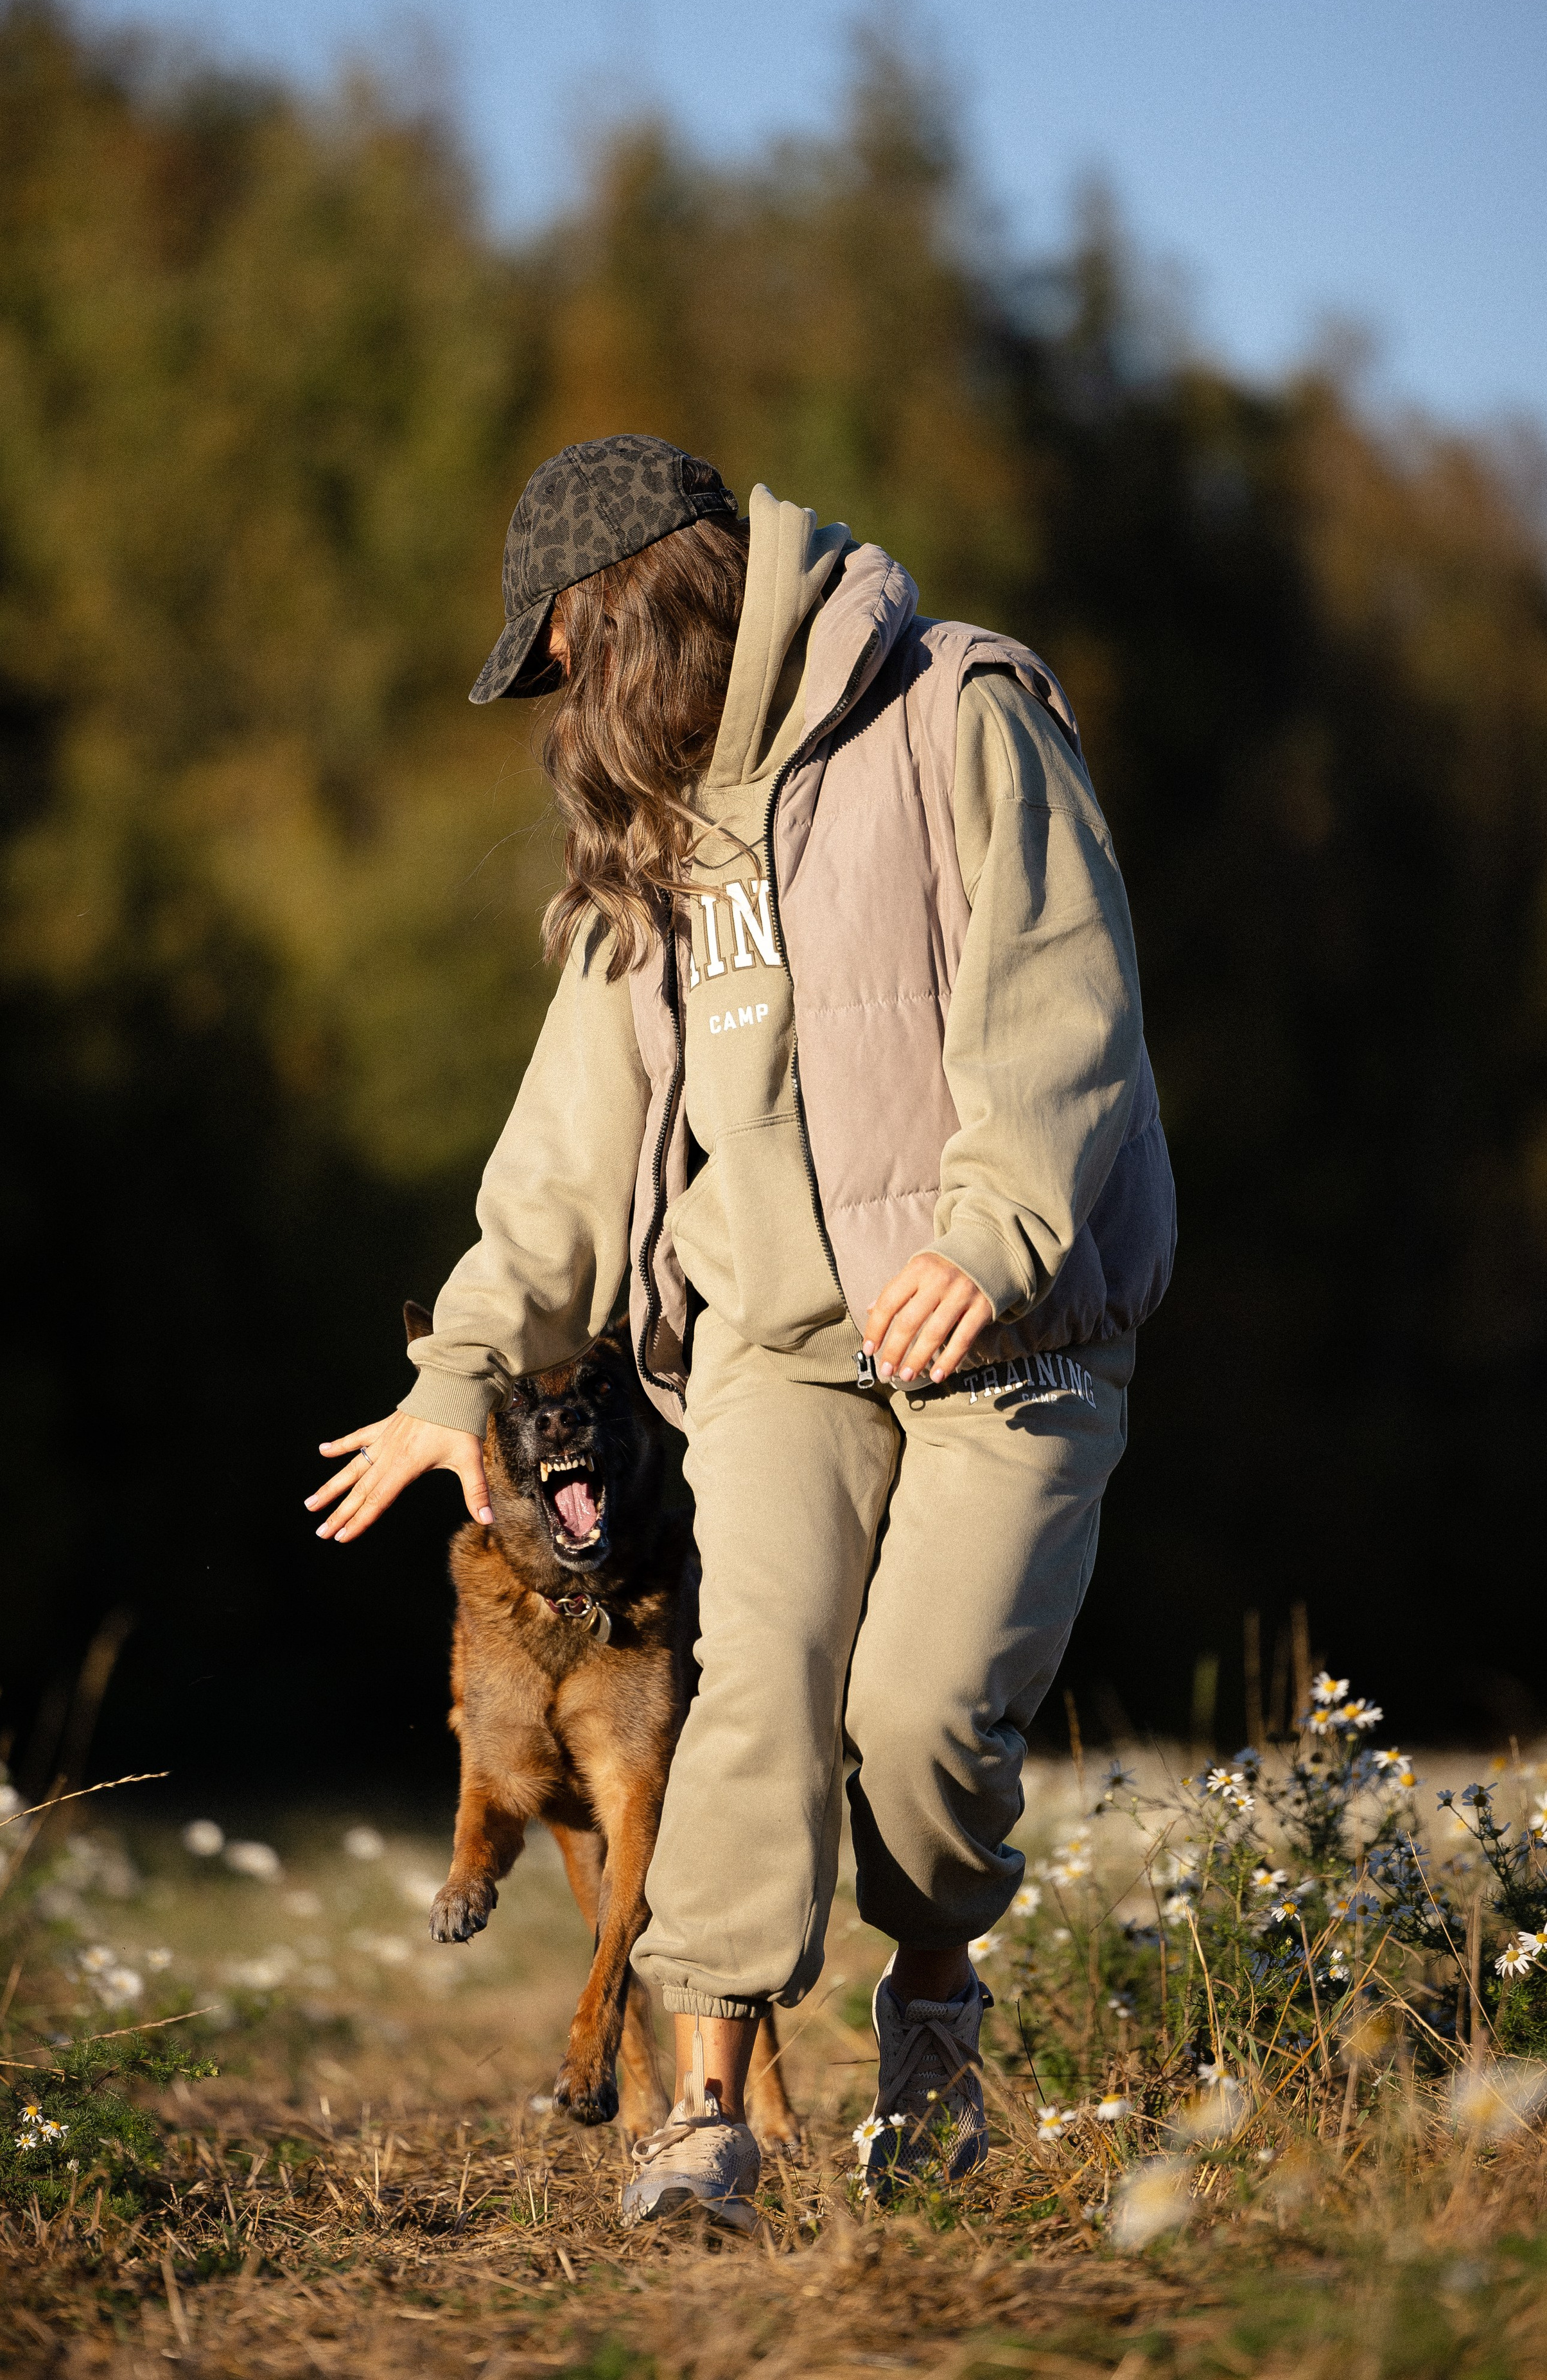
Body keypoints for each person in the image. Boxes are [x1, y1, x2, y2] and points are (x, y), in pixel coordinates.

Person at [306, 434, 1176, 2223]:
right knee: (751, 1692)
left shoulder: (956, 710)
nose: (568, 724)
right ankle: (706, 2115)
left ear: (645, 612)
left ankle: (933, 2001)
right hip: (776, 1350)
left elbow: (1064, 994)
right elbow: (568, 1147)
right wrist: (458, 1367)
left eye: (567, 671)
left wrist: (996, 1228)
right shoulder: (662, 830)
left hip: (1008, 1339)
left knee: (925, 1733)